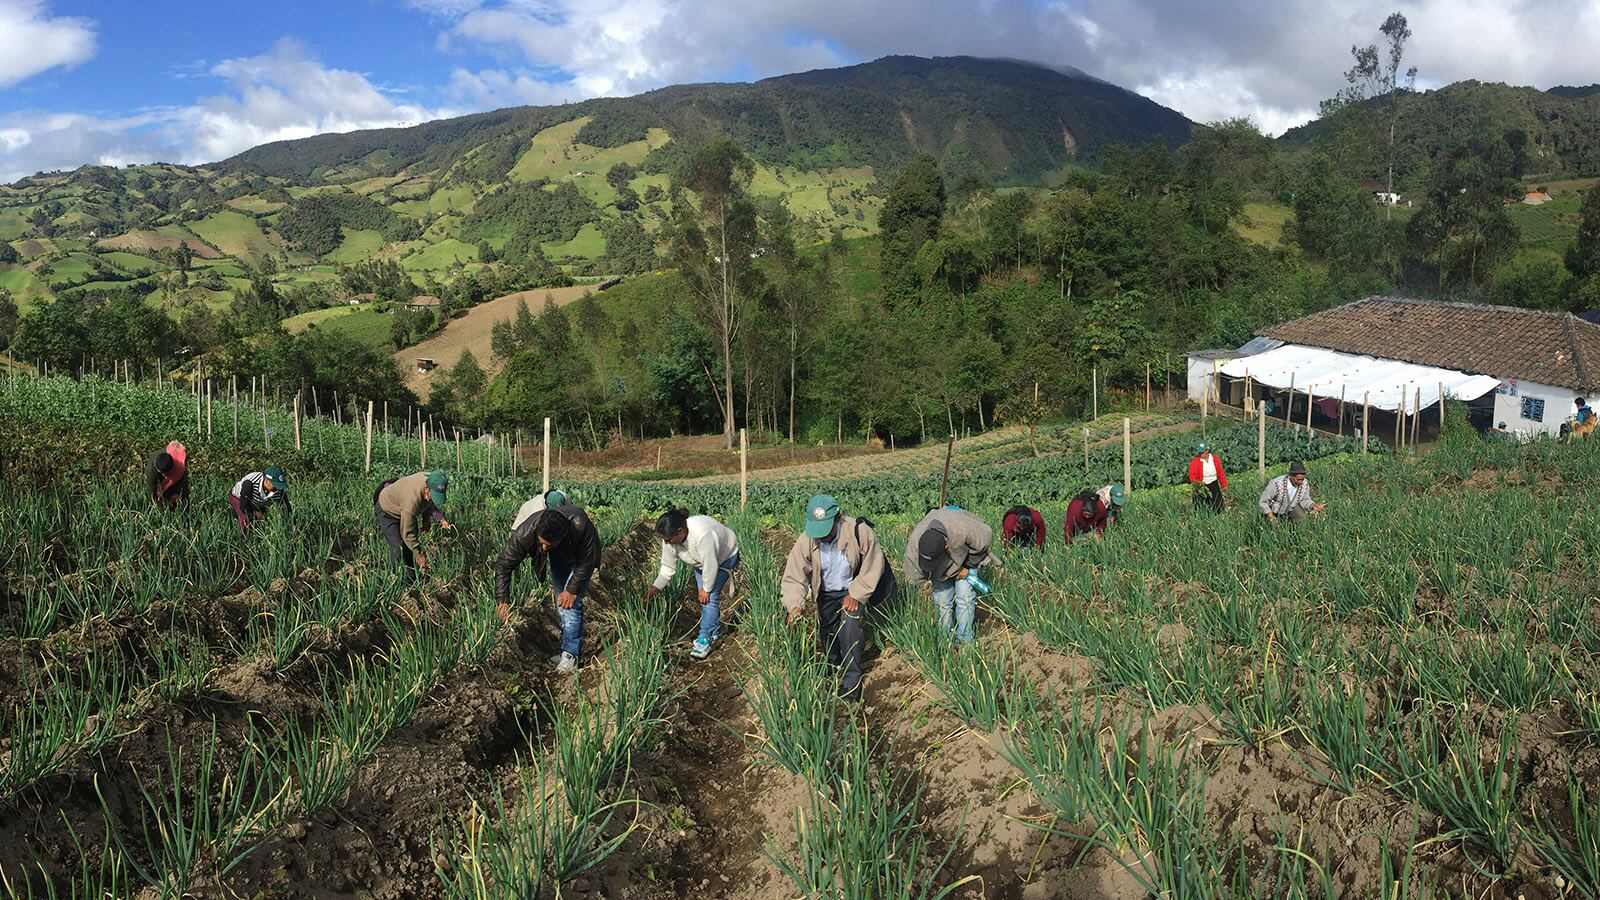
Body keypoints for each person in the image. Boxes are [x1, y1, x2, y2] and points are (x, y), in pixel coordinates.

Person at [783, 494, 893, 700]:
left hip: (853, 588)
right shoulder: (806, 539)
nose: (821, 536)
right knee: (827, 631)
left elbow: (873, 566)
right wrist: (794, 605)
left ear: (838, 518)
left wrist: (856, 594)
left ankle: (852, 680)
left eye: (826, 530)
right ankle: (832, 668)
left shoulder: (859, 531)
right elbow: (794, 577)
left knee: (849, 625)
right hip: (825, 592)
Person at [493, 498, 602, 674]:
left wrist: (572, 590)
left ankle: (571, 655)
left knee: (569, 604)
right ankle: (567, 649)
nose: (543, 548)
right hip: (559, 557)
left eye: (548, 544)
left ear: (563, 535)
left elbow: (587, 560)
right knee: (561, 603)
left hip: (582, 561)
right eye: (541, 542)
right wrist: (502, 600)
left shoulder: (580, 524)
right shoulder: (526, 531)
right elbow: (503, 564)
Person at [644, 508, 741, 659]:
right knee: (703, 597)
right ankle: (715, 633)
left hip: (725, 557)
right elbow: (667, 567)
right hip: (701, 563)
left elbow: (711, 564)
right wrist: (655, 588)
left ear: (680, 531)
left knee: (708, 598)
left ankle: (705, 638)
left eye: (668, 539)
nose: (666, 543)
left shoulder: (703, 535)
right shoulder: (669, 539)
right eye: (664, 539)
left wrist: (706, 588)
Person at [903, 506, 993, 645]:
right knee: (942, 600)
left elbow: (981, 545)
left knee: (965, 597)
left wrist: (966, 568)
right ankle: (944, 639)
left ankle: (965, 639)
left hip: (966, 558)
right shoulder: (917, 538)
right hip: (939, 568)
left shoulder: (962, 528)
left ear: (946, 547)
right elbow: (912, 565)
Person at [374, 470, 453, 582]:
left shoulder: (433, 480)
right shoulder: (411, 500)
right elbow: (407, 531)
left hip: (403, 508)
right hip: (387, 510)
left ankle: (411, 578)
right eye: (432, 494)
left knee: (409, 546)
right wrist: (419, 554)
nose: (431, 497)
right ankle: (393, 579)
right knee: (398, 546)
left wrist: (427, 520)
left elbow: (430, 502)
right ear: (426, 488)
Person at [1259, 460, 1324, 524]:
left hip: (1292, 507)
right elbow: (1263, 502)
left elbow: (1305, 500)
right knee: (1275, 528)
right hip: (1274, 509)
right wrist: (1270, 516)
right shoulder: (1276, 484)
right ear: (1291, 476)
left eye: (1302, 479)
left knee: (1303, 520)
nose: (1300, 482)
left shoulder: (1305, 483)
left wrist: (1313, 506)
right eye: (1298, 479)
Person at [229, 466, 290, 532]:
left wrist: (291, 523)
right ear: (266, 480)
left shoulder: (279, 490)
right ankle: (241, 539)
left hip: (259, 501)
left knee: (263, 522)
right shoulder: (250, 483)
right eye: (275, 486)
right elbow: (244, 507)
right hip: (239, 498)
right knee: (245, 517)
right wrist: (258, 515)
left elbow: (286, 508)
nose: (277, 489)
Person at [145, 440, 189, 508]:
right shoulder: (151, 471)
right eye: (165, 474)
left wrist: (179, 497)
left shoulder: (179, 464)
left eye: (170, 473)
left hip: (174, 477)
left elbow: (184, 486)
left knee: (179, 500)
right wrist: (159, 505)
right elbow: (151, 492)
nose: (167, 475)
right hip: (160, 481)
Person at [1188, 442, 1227, 512]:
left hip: (1213, 483)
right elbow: (1192, 476)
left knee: (1217, 506)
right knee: (1200, 505)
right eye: (1199, 453)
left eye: (1202, 452)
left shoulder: (1214, 458)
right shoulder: (1195, 461)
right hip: (1201, 485)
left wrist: (1224, 485)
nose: (1200, 454)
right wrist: (1198, 483)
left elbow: (1220, 472)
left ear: (1207, 450)